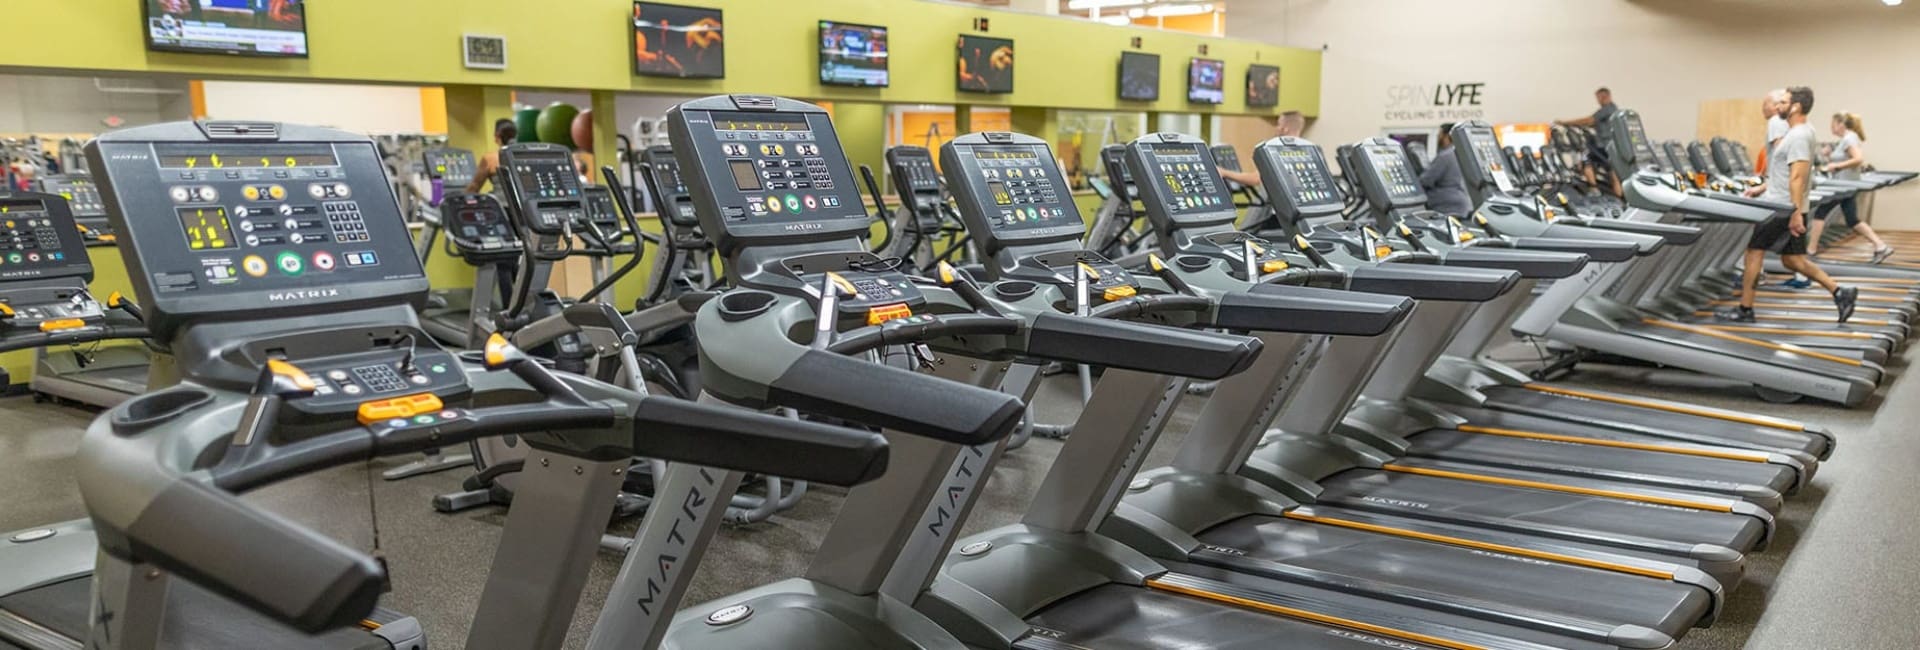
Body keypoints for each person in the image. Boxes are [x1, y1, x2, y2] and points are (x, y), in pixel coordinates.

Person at [1719, 86, 1857, 324]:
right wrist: (1764, 187)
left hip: (1781, 208)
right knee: (1792, 260)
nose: (1777, 106)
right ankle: (1840, 292)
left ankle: (1745, 309)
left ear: (1796, 107)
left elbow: (1798, 177)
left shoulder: (1799, 135)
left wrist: (1794, 213)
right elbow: (1784, 173)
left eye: (1783, 103)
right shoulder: (1798, 132)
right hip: (1785, 203)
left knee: (1753, 253)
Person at [1805, 112, 1892, 262]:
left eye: (1833, 124)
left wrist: (1836, 165)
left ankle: (1810, 250)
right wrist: (1829, 156)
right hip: (1844, 185)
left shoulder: (1849, 138)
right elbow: (1847, 159)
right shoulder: (1846, 139)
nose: (1831, 127)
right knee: (1852, 220)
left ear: (1841, 124)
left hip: (1843, 186)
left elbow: (1858, 159)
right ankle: (1880, 246)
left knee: (1820, 213)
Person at [1555, 88, 1620, 195]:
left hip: (1603, 146)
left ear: (1604, 96)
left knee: (1586, 161)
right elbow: (1592, 124)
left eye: (1599, 98)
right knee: (1612, 172)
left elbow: (1589, 120)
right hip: (1610, 146)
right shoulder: (1613, 109)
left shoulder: (1607, 109)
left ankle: (1594, 188)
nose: (1598, 100)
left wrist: (1565, 123)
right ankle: (1619, 198)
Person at [1217, 110, 1306, 186]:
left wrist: (1224, 173)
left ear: (1285, 129)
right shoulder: (1307, 151)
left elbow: (1256, 179)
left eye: (1278, 124)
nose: (1276, 128)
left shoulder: (1279, 151)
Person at [1420, 122, 1472, 216]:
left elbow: (1426, 180)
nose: (1438, 138)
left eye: (1440, 135)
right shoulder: (1460, 153)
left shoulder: (1445, 156)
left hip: (1446, 204)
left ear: (1446, 136)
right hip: (1462, 202)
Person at [466, 118, 518, 194]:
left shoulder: (490, 159)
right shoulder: (526, 156)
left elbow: (474, 187)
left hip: (501, 205)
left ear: (497, 136)